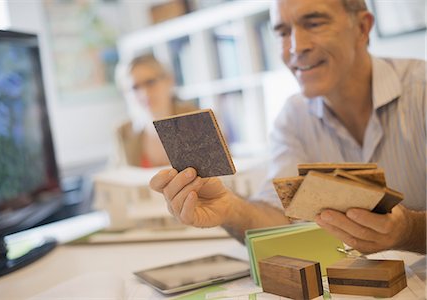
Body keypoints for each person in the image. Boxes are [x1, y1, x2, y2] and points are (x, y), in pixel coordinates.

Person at [149, 0, 426, 255]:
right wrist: (229, 209)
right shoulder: (293, 117)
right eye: (282, 32)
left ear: (362, 28)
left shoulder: (421, 92)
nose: (295, 46)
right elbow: (281, 218)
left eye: (314, 23)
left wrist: (409, 230)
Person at [113, 54, 196, 167]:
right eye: (135, 88)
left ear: (169, 80)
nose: (144, 93)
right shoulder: (123, 132)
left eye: (150, 82)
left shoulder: (197, 120)